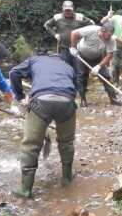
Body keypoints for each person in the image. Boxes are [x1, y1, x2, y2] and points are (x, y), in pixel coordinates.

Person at [9, 55, 78, 199]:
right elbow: (75, 89)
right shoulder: (68, 67)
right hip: (67, 101)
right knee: (66, 141)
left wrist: (21, 96)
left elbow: (14, 73)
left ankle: (25, 189)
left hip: (41, 102)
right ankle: (67, 176)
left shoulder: (34, 60)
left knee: (31, 144)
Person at [70, 22, 122, 107]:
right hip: (82, 55)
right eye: (108, 35)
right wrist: (73, 47)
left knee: (105, 76)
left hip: (98, 57)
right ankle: (83, 100)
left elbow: (109, 55)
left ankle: (113, 99)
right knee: (82, 76)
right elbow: (74, 33)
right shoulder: (91, 30)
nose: (109, 37)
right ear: (102, 31)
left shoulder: (111, 39)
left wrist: (98, 66)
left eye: (111, 35)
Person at [43, 0, 94, 67]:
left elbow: (92, 23)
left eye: (69, 10)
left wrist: (84, 34)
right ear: (63, 10)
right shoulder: (57, 17)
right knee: (65, 68)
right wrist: (55, 34)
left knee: (77, 68)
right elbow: (47, 25)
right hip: (64, 48)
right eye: (66, 10)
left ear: (73, 9)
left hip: (77, 48)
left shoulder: (79, 17)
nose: (68, 12)